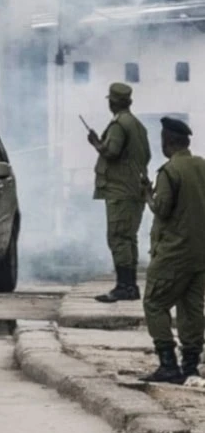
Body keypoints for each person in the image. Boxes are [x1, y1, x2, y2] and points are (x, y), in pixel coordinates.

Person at [139, 118, 205, 384]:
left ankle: (168, 364)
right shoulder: (201, 166)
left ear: (168, 141)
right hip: (200, 252)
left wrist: (147, 195)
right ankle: (190, 366)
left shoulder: (169, 171)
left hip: (174, 252)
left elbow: (163, 209)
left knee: (154, 303)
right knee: (191, 309)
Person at [89, 82, 151, 303]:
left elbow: (112, 152)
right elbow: (147, 155)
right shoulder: (137, 125)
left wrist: (97, 143)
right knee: (128, 238)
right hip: (134, 189)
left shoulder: (119, 125)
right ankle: (129, 285)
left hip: (120, 190)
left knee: (118, 238)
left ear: (113, 103)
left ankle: (125, 286)